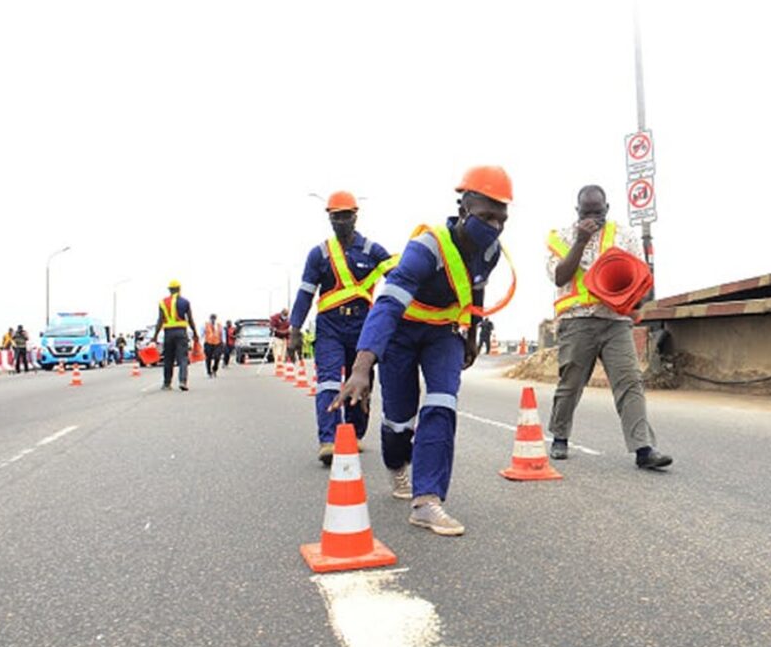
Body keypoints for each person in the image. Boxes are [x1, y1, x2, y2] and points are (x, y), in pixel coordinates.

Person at [331, 166, 513, 536]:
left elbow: (475, 289)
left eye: (501, 219)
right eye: (485, 216)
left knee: (442, 403)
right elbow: (387, 304)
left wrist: (472, 335)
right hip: (401, 331)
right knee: (400, 419)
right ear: (463, 209)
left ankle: (427, 500)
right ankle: (397, 463)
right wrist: (363, 367)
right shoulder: (426, 247)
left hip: (443, 334)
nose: (493, 226)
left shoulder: (491, 251)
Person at [545, 184, 672, 469]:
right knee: (571, 382)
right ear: (577, 211)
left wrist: (635, 303)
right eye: (586, 212)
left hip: (615, 321)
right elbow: (559, 277)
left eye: (598, 212)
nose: (593, 217)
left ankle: (643, 448)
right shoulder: (561, 238)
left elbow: (639, 276)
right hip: (577, 320)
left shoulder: (624, 235)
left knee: (630, 381)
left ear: (607, 209)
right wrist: (580, 241)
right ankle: (560, 437)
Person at [288, 190, 395, 466]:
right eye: (336, 216)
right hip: (330, 327)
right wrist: (294, 330)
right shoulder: (319, 254)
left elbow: (400, 281)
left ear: (355, 216)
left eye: (346, 215)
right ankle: (329, 439)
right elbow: (305, 293)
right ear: (329, 218)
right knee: (328, 379)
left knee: (362, 380)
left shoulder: (373, 251)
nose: (341, 221)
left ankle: (354, 432)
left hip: (364, 326)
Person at [151, 279, 198, 391]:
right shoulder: (185, 302)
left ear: (170, 290)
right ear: (179, 289)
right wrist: (195, 333)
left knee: (168, 358)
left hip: (168, 333)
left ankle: (167, 384)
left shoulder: (162, 302)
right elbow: (190, 319)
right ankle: (183, 381)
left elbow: (160, 320)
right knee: (183, 358)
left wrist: (155, 336)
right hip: (181, 332)